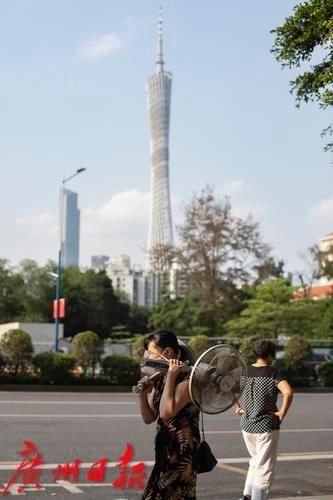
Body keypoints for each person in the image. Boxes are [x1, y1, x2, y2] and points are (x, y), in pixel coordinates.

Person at [137, 329, 200, 500]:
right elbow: (149, 418)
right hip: (164, 451)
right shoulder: (160, 377)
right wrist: (143, 394)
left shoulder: (187, 380)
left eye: (152, 353)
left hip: (181, 455)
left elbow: (166, 412)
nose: (149, 357)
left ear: (168, 352)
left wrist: (172, 376)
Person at [234, 338, 293, 500]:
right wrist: (281, 413)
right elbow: (288, 392)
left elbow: (230, 390)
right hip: (266, 425)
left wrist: (237, 408)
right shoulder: (273, 372)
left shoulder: (244, 371)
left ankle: (247, 495)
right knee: (264, 467)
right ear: (271, 354)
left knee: (255, 461)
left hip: (247, 425)